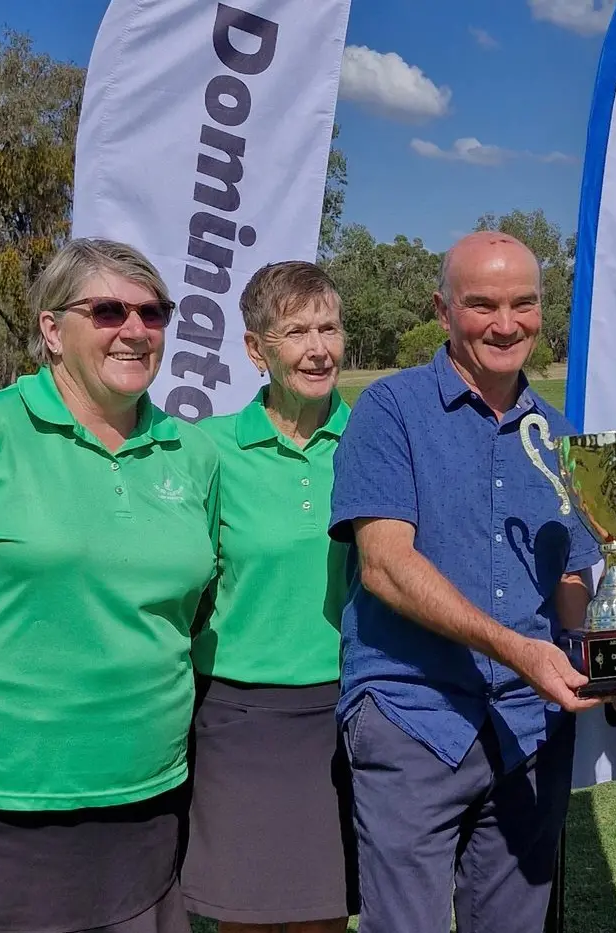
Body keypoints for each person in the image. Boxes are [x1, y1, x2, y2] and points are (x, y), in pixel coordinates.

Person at [329, 231, 616, 933]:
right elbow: (386, 564)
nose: (506, 323)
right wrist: (522, 651)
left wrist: (613, 658)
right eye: (482, 304)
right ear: (443, 308)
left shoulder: (558, 434)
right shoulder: (390, 411)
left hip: (528, 732)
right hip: (412, 716)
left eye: (524, 303)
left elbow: (571, 579)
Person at [0, 239, 219, 933]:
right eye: (108, 309)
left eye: (154, 311)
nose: (135, 330)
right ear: (53, 329)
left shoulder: (192, 453)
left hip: (141, 797)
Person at [180, 261, 357, 932]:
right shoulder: (208, 448)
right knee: (247, 914)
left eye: (329, 327)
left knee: (322, 913)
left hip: (344, 707)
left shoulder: (374, 439)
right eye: (295, 332)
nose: (318, 348)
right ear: (257, 349)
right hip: (237, 715)